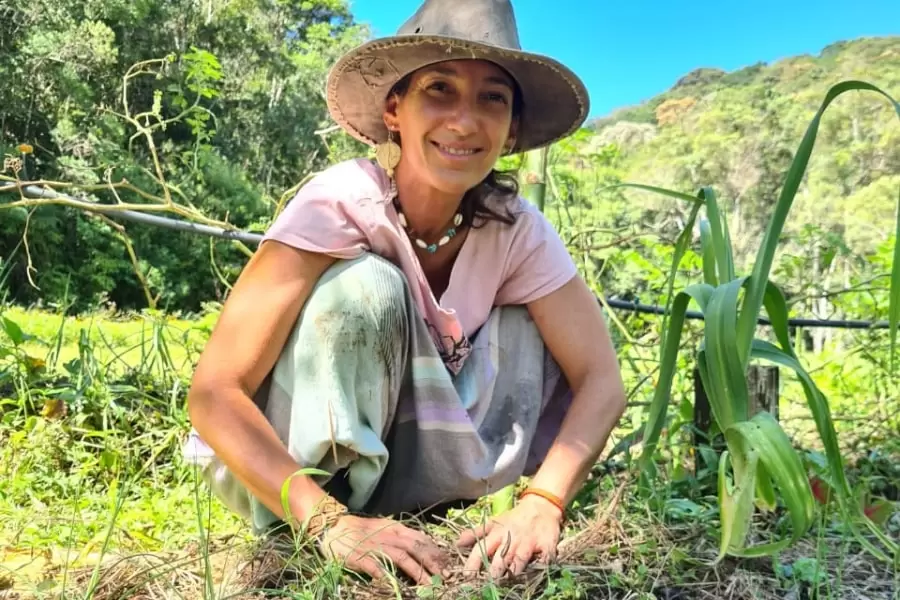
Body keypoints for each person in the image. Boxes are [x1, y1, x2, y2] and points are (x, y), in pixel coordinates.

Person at [183, 0, 626, 587]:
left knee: (525, 319)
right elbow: (215, 392)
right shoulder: (340, 202)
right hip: (302, 486)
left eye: (493, 98)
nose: (465, 122)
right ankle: (331, 518)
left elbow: (602, 378)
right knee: (366, 287)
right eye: (440, 88)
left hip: (431, 470)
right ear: (396, 109)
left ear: (512, 127)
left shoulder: (515, 230)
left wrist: (546, 500)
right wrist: (327, 522)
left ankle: (435, 511)